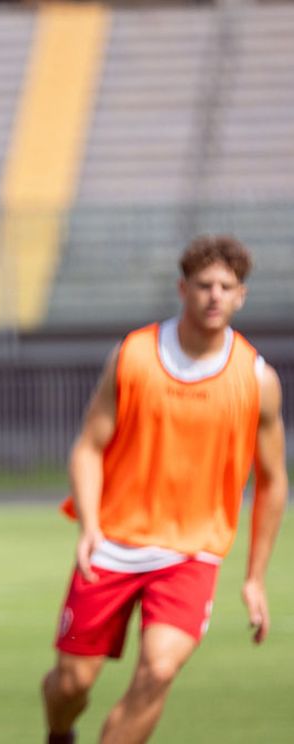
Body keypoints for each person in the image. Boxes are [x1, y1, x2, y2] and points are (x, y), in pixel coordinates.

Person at [41, 235, 287, 744]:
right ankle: (59, 733)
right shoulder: (133, 356)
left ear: (241, 296)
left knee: (158, 670)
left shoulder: (257, 379)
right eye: (204, 285)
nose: (214, 295)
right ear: (182, 289)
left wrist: (255, 577)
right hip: (112, 543)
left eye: (227, 287)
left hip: (191, 553)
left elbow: (273, 480)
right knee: (71, 684)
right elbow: (88, 446)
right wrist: (89, 525)